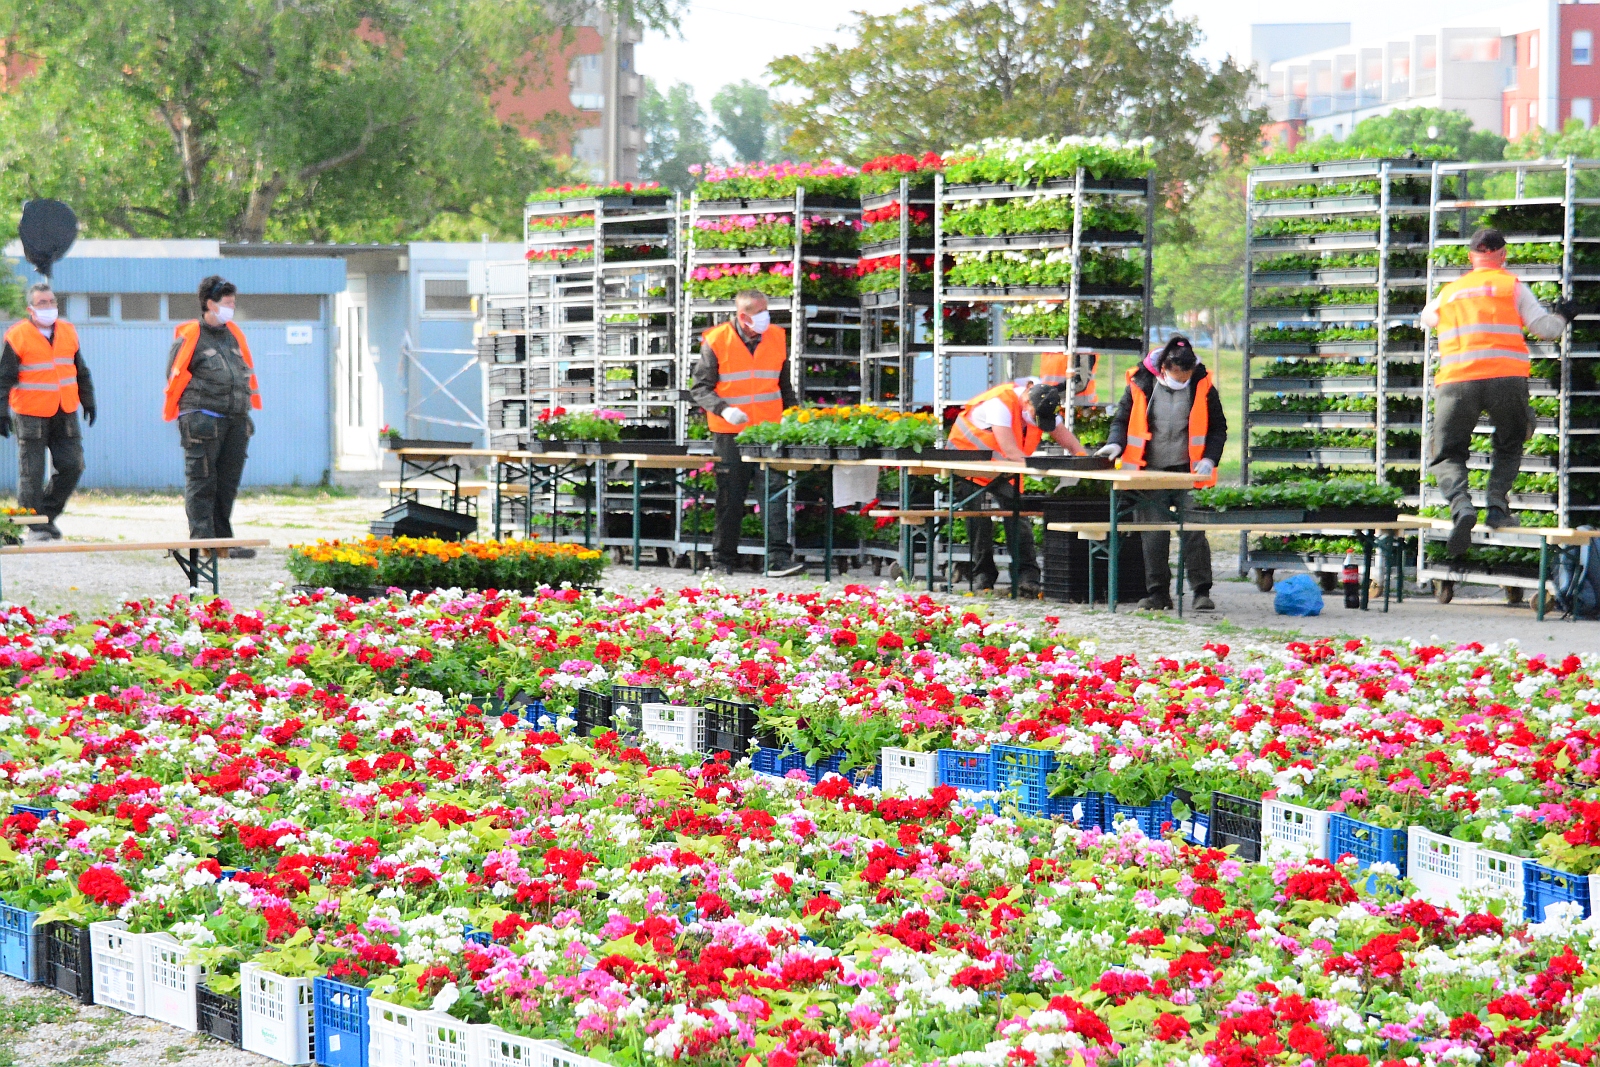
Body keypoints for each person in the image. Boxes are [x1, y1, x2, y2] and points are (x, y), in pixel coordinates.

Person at [1420, 227, 1573, 556]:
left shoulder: (1450, 292)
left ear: (1471, 257)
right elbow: (1545, 330)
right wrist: (1563, 315)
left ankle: (1461, 507)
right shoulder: (1512, 287)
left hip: (1457, 380)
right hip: (1506, 378)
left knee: (1447, 451)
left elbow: (1428, 318)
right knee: (1510, 441)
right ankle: (1497, 508)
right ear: (1503, 255)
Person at [1100, 335, 1226, 612]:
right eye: (1177, 377)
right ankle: (1158, 593)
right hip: (1150, 472)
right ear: (1164, 368)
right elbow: (1122, 420)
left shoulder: (1203, 384)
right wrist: (1115, 444)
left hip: (1188, 472)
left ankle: (1201, 591)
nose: (1182, 382)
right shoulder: (1140, 382)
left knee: (1193, 530)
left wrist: (1209, 459)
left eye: (1186, 378)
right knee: (1153, 532)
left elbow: (1218, 428)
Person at [689, 290, 805, 578]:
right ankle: (723, 559)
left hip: (769, 430)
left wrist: (794, 415)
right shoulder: (717, 340)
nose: (767, 318)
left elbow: (783, 385)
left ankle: (778, 559)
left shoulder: (776, 337)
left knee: (774, 494)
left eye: (767, 311)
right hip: (730, 432)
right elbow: (700, 388)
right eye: (761, 312)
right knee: (730, 496)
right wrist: (724, 410)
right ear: (743, 316)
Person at [946, 379, 1087, 595]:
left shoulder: (1042, 403)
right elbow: (1010, 450)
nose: (1039, 424)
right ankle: (983, 576)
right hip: (969, 464)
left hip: (1003, 468)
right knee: (979, 519)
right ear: (1026, 402)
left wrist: (1083, 458)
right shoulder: (1000, 404)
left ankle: (1027, 578)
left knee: (1018, 516)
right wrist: (1040, 469)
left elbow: (1066, 439)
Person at [164, 276, 261, 557]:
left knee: (226, 484)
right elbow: (174, 377)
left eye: (233, 303)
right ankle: (203, 542)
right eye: (227, 303)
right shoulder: (191, 336)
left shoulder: (234, 335)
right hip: (203, 420)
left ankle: (223, 542)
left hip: (235, 420)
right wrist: (190, 416)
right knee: (202, 482)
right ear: (210, 304)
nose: (232, 308)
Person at [0, 282, 95, 541]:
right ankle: (34, 524)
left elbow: (80, 370)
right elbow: (4, 378)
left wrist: (88, 400)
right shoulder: (17, 335)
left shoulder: (68, 331)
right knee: (31, 473)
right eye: (42, 302)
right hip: (30, 413)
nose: (49, 306)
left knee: (73, 465)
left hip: (65, 410)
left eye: (52, 301)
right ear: (30, 309)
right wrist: (2, 411)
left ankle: (45, 516)